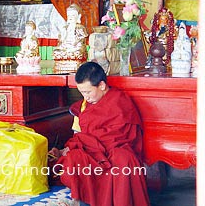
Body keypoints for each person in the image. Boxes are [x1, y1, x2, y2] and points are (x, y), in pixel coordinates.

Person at [48, 62, 150, 206]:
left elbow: (121, 136)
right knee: (74, 158)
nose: (85, 97)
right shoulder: (87, 105)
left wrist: (81, 142)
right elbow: (86, 133)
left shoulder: (120, 102)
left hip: (114, 150)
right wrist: (75, 145)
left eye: (88, 92)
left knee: (123, 159)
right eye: (82, 93)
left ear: (102, 85)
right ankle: (82, 200)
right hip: (94, 151)